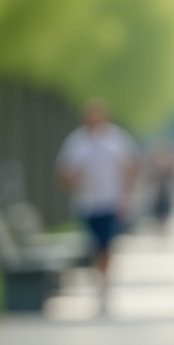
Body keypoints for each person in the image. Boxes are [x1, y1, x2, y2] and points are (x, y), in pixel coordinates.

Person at [56, 98, 140, 316]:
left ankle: (104, 285)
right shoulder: (76, 142)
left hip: (110, 201)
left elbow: (131, 165)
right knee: (94, 246)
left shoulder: (115, 138)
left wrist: (127, 193)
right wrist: (73, 178)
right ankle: (99, 282)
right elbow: (64, 173)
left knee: (106, 245)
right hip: (86, 203)